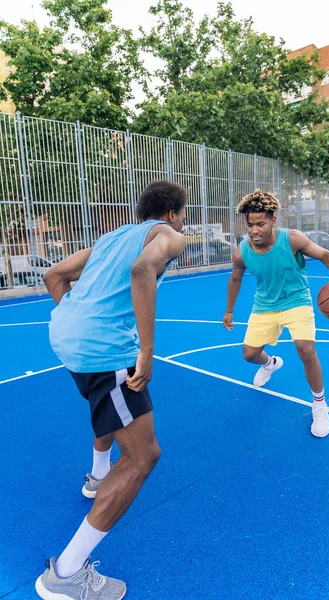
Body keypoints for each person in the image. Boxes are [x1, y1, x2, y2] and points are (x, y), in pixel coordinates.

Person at [35, 181, 187, 600]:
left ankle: (97, 474)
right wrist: (147, 351)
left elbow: (54, 275)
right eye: (183, 214)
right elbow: (142, 271)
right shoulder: (169, 235)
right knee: (143, 455)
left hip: (66, 337)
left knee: (108, 407)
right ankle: (65, 575)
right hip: (102, 348)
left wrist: (76, 320)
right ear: (173, 212)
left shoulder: (110, 237)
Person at [223, 189, 329, 438]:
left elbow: (326, 255)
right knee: (249, 354)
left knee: (306, 350)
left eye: (260, 224)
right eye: (250, 225)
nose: (254, 230)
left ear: (273, 221)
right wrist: (229, 310)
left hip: (297, 301)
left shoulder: (292, 240)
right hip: (265, 306)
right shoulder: (241, 251)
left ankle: (320, 405)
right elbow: (235, 278)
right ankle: (270, 364)